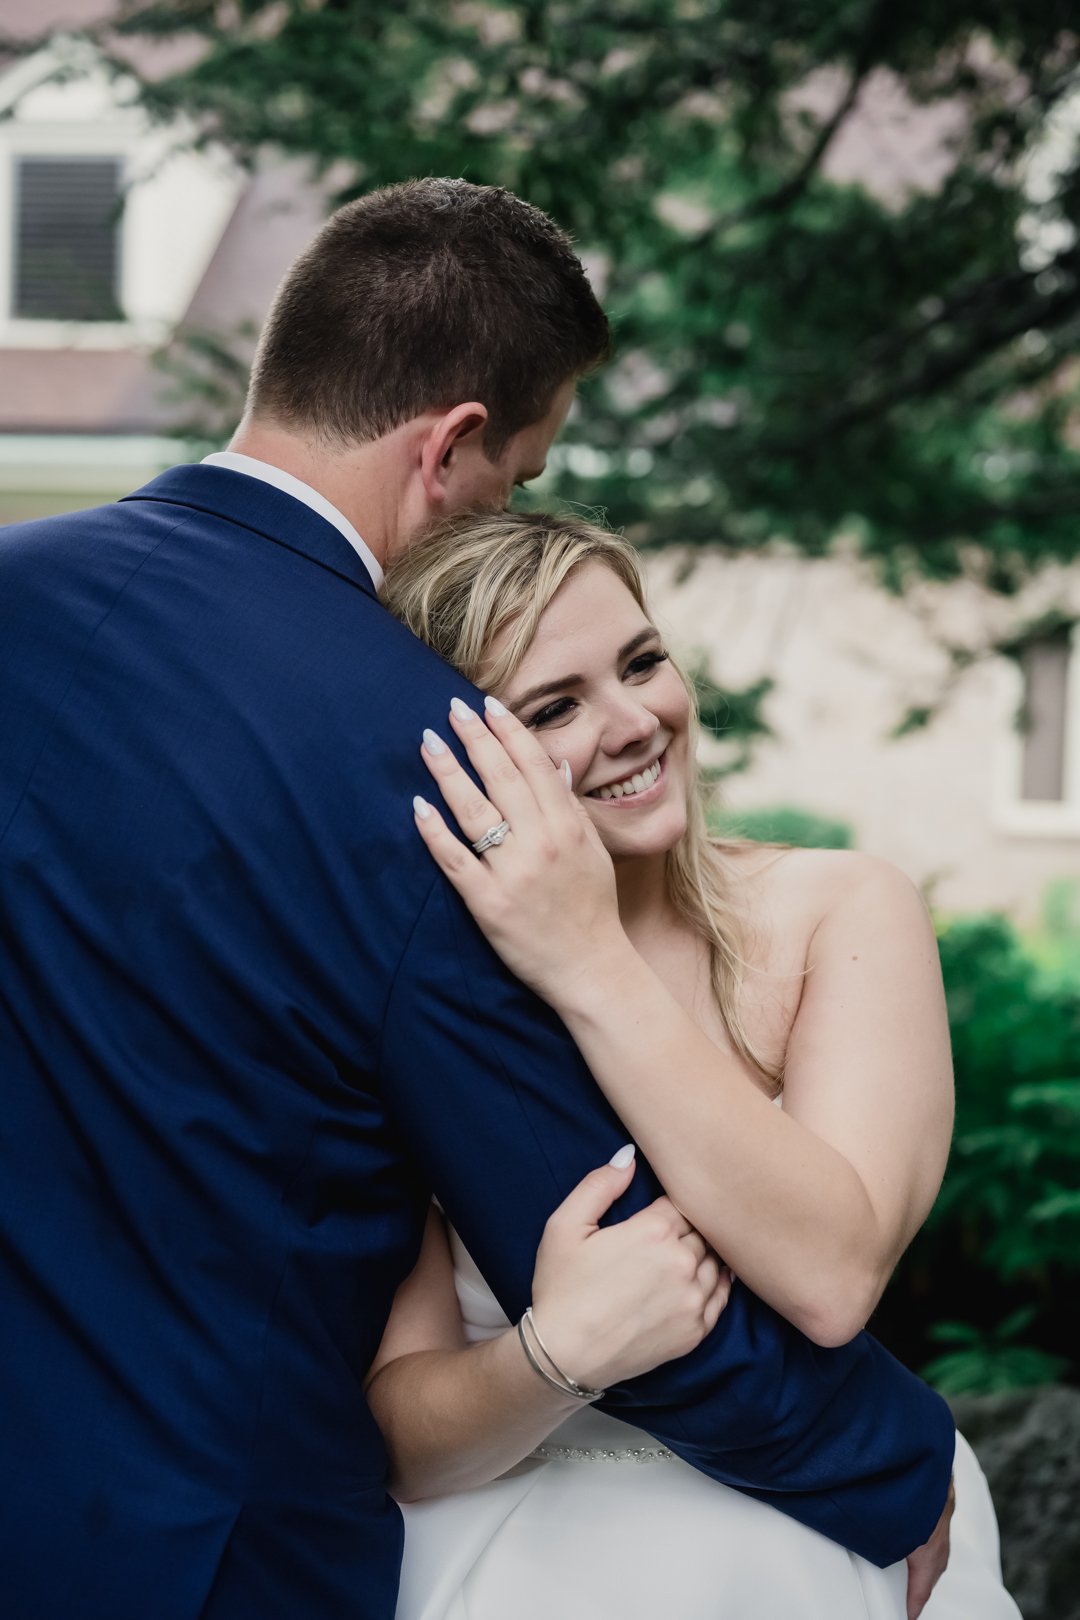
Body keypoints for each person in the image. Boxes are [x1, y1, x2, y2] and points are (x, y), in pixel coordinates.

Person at [0, 180, 953, 1620]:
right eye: (514, 480)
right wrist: (887, 1463)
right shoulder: (423, 751)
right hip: (219, 1545)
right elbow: (570, 1209)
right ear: (450, 447)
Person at [373, 510, 1021, 1620]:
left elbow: (830, 1275)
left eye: (642, 662)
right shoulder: (417, 1002)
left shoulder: (839, 912)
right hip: (513, 1547)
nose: (635, 722)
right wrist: (556, 1354)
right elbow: (408, 1442)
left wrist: (586, 959)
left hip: (806, 1528)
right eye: (555, 706)